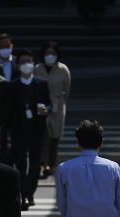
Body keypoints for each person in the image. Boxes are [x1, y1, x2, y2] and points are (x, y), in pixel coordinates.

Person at [9, 49, 51, 211]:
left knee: (35, 165)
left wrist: (46, 109)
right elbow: (9, 108)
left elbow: (49, 103)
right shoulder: (12, 85)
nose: (26, 64)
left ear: (33, 64)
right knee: (20, 164)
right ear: (18, 65)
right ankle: (23, 193)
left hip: (37, 130)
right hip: (19, 131)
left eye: (29, 61)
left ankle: (30, 192)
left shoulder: (41, 83)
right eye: (23, 61)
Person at [34, 41, 71, 177]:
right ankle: (45, 163)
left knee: (55, 136)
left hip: (58, 105)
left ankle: (52, 163)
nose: (50, 56)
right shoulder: (37, 68)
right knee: (45, 136)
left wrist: (60, 102)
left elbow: (67, 90)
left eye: (53, 53)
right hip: (42, 105)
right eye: (47, 53)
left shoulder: (63, 69)